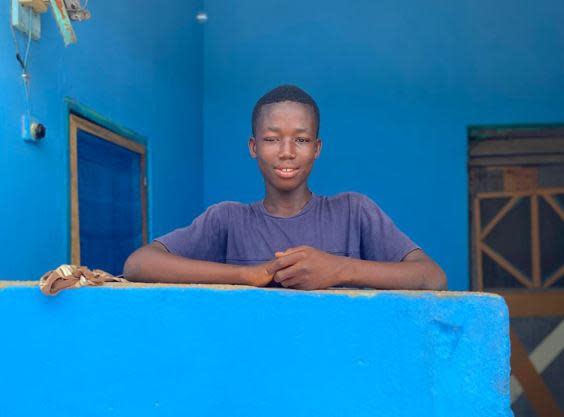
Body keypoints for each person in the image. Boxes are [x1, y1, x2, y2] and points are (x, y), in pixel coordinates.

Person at [124, 85, 446, 290]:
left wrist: (340, 269)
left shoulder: (353, 211)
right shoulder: (228, 220)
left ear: (317, 148)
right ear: (253, 147)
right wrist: (246, 275)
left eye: (301, 139)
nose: (287, 151)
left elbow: (432, 277)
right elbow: (139, 265)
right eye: (272, 139)